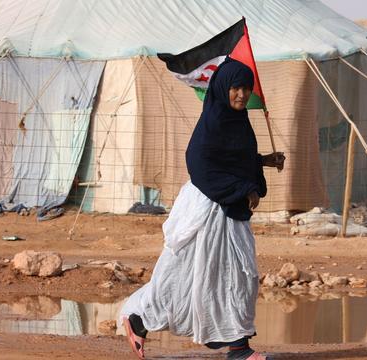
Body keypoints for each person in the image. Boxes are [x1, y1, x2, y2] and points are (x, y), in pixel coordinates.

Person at [120, 57, 285, 360]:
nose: (242, 95)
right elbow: (201, 165)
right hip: (206, 212)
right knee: (183, 277)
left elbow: (233, 157)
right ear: (223, 88)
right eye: (236, 88)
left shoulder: (238, 122)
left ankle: (236, 346)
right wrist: (243, 188)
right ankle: (141, 321)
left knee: (238, 276)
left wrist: (263, 160)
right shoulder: (211, 124)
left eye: (246, 89)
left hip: (230, 214)